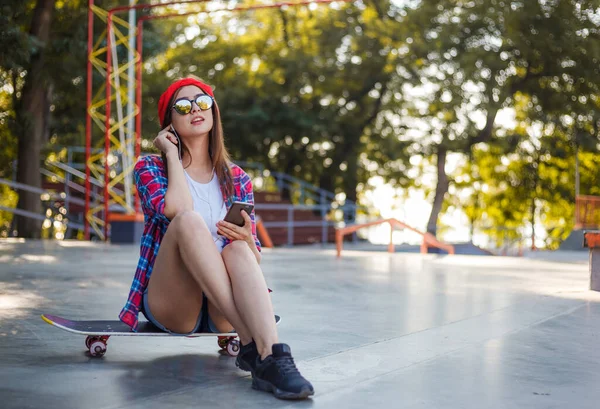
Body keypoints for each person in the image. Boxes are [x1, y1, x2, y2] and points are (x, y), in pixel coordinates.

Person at [119, 76, 314, 400]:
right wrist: (171, 153)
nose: (195, 108)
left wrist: (248, 243)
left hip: (220, 310)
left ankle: (269, 357)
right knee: (189, 221)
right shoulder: (150, 167)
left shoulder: (237, 178)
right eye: (183, 105)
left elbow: (255, 259)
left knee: (238, 249)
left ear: (214, 112)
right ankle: (256, 344)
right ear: (170, 123)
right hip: (174, 304)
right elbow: (178, 210)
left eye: (203, 101)